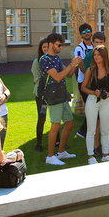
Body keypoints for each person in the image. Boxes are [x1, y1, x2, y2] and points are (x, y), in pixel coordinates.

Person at [40, 32, 84, 165]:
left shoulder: (57, 59)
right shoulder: (45, 59)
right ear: (51, 44)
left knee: (70, 123)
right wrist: (71, 65)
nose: (60, 48)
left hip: (62, 95)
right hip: (53, 97)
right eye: (59, 45)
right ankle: (50, 156)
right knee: (56, 125)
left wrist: (75, 64)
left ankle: (61, 152)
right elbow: (58, 77)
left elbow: (68, 75)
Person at [81, 45, 109, 164]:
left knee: (105, 130)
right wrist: (94, 92)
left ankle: (105, 155)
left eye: (98, 54)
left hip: (106, 101)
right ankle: (91, 156)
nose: (96, 57)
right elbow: (83, 87)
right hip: (92, 100)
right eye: (95, 55)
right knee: (91, 129)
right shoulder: (90, 70)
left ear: (104, 56)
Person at [83, 32, 107, 157]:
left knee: (100, 122)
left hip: (103, 94)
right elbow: (89, 75)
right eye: (96, 42)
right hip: (92, 92)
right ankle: (95, 146)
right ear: (93, 43)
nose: (99, 44)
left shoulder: (106, 56)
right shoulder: (89, 56)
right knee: (94, 122)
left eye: (101, 42)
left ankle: (98, 145)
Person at [74, 23, 95, 139]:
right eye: (84, 32)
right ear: (81, 34)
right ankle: (83, 131)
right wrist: (89, 75)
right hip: (84, 82)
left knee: (93, 107)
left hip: (95, 80)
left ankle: (87, 130)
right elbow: (80, 64)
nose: (87, 33)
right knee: (90, 107)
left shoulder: (94, 46)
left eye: (88, 31)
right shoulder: (79, 48)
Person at [31, 38, 49, 152]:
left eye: (48, 47)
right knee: (42, 118)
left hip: (54, 94)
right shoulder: (37, 62)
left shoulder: (54, 60)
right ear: (41, 49)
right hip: (42, 95)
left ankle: (57, 141)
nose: (46, 49)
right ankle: (39, 143)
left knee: (56, 118)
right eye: (44, 47)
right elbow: (37, 79)